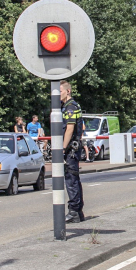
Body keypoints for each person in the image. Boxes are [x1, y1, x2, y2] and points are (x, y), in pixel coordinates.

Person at [60, 80, 84, 223]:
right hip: (74, 147)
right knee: (74, 178)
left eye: (60, 91)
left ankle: (74, 210)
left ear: (68, 91)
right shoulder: (71, 106)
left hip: (71, 149)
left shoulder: (70, 107)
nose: (57, 94)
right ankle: (78, 210)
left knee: (71, 179)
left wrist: (63, 148)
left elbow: (69, 128)